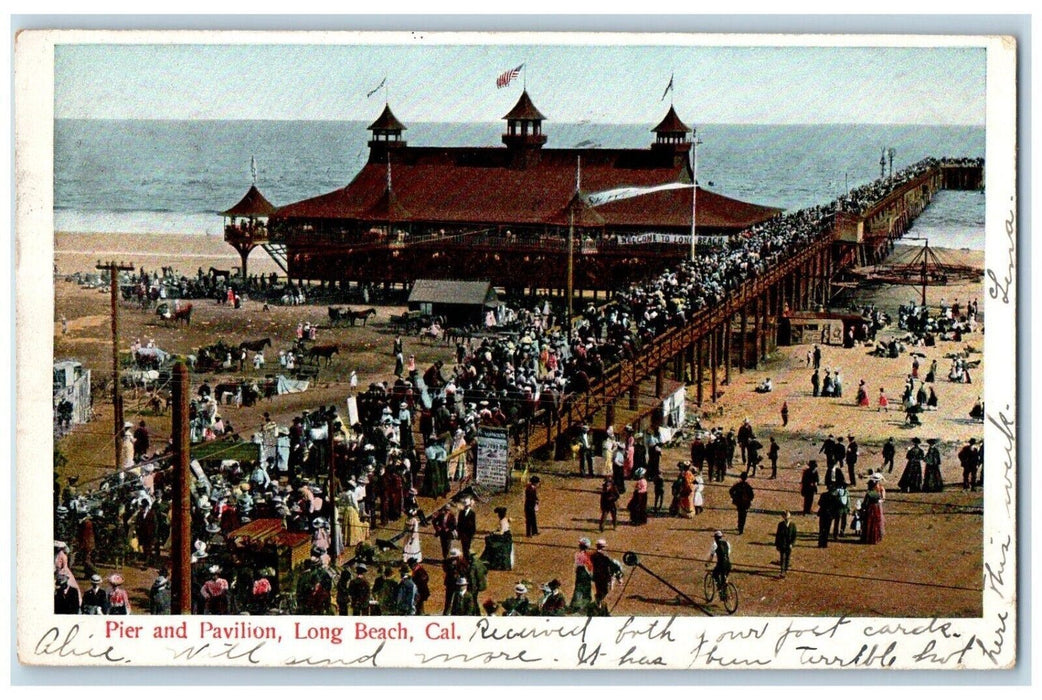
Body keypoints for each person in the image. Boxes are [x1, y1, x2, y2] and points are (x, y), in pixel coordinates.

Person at [590, 539, 623, 607]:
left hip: (596, 575)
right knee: (605, 590)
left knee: (599, 589)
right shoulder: (605, 557)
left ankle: (598, 601)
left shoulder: (593, 555)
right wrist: (618, 577)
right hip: (604, 576)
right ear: (604, 547)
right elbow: (613, 565)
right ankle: (598, 600)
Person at [482, 506, 514, 571]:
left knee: (490, 541)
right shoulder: (505, 519)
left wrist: (493, 533)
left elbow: (501, 532)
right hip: (507, 536)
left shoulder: (502, 521)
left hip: (504, 538)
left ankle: (492, 561)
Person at [570, 538, 594, 612]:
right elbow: (586, 566)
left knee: (578, 588)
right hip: (585, 572)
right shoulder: (587, 555)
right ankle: (586, 605)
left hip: (580, 572)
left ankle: (575, 606)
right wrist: (590, 574)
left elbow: (578, 565)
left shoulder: (578, 554)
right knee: (586, 589)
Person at [861, 474, 886, 545]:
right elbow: (882, 498)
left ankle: (868, 537)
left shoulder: (869, 493)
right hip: (877, 507)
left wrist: (863, 508)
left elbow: (865, 503)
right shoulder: (878, 491)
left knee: (869, 522)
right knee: (876, 522)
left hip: (870, 507)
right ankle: (876, 537)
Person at [706, 530, 733, 596]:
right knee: (724, 578)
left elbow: (711, 556)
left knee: (715, 574)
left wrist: (708, 563)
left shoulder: (715, 545)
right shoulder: (727, 543)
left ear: (715, 538)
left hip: (721, 564)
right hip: (728, 564)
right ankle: (724, 591)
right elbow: (728, 553)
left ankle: (720, 589)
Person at [774, 512, 797, 577]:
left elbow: (794, 536)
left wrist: (792, 544)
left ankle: (786, 569)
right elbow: (778, 535)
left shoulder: (793, 525)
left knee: (788, 558)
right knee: (782, 558)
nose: (787, 519)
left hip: (789, 545)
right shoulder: (780, 525)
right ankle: (782, 571)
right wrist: (777, 545)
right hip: (782, 544)